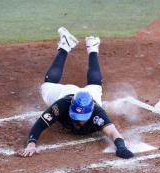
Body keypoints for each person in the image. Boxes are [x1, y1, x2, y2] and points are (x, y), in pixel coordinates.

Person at [18, 27, 134, 159]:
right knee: (45, 87)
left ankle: (92, 47)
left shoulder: (97, 113)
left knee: (95, 86)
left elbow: (113, 132)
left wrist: (121, 147)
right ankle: (67, 46)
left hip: (91, 96)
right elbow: (41, 124)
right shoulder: (61, 105)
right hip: (65, 93)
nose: (79, 121)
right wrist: (31, 144)